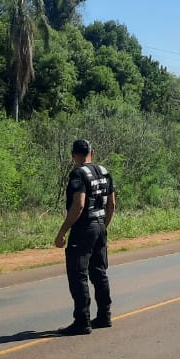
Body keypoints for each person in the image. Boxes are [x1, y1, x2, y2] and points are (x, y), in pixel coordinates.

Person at [54, 139, 116, 334]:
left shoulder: (78, 174)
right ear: (93, 152)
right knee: (99, 272)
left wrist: (63, 231)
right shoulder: (104, 172)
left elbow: (79, 205)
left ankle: (82, 321)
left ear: (74, 155)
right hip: (99, 225)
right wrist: (102, 226)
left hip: (83, 228)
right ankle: (104, 315)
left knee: (78, 274)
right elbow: (112, 205)